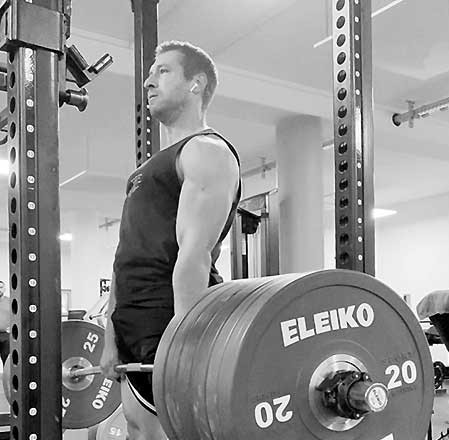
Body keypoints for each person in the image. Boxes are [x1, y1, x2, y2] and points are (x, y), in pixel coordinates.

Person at [100, 41, 241, 440]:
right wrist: (112, 337)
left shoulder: (206, 151)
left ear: (196, 84)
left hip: (169, 322)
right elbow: (124, 258)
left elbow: (193, 256)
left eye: (162, 71)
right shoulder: (144, 172)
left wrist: (185, 346)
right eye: (149, 73)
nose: (149, 81)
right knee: (139, 430)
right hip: (134, 327)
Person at [0, 281, 9, 365]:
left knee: (6, 359)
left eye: (1, 287)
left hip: (6, 336)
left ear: (4, 289)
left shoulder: (10, 302)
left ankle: (7, 378)